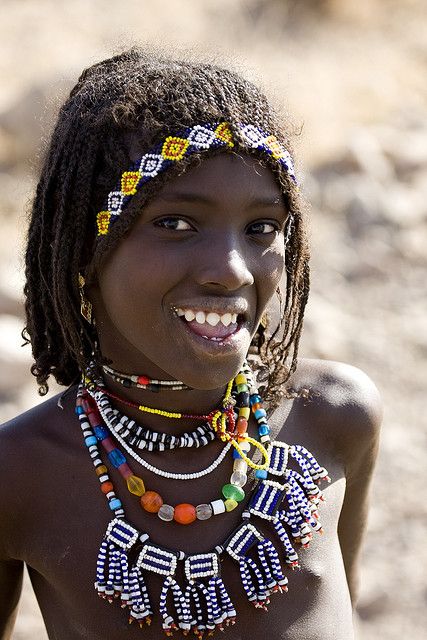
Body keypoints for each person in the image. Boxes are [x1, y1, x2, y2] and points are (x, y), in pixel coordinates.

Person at [0, 49, 382, 640]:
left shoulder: (335, 417)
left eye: (262, 228)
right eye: (176, 223)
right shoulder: (20, 473)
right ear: (83, 250)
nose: (231, 271)